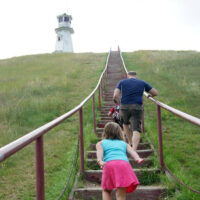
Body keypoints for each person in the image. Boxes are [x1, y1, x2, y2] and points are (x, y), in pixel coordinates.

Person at [96, 122, 144, 200]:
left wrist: (100, 160)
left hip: (109, 164)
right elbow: (132, 151)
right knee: (121, 195)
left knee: (106, 191)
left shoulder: (100, 143)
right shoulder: (124, 143)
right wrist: (137, 158)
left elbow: (99, 152)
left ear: (105, 132)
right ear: (119, 132)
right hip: (123, 165)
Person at [113, 71, 158, 150]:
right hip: (137, 107)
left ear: (127, 76)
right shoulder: (142, 82)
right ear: (136, 76)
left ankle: (130, 142)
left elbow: (115, 95)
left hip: (124, 107)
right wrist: (150, 95)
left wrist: (119, 103)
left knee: (125, 124)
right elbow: (155, 92)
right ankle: (134, 150)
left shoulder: (122, 82)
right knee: (136, 129)